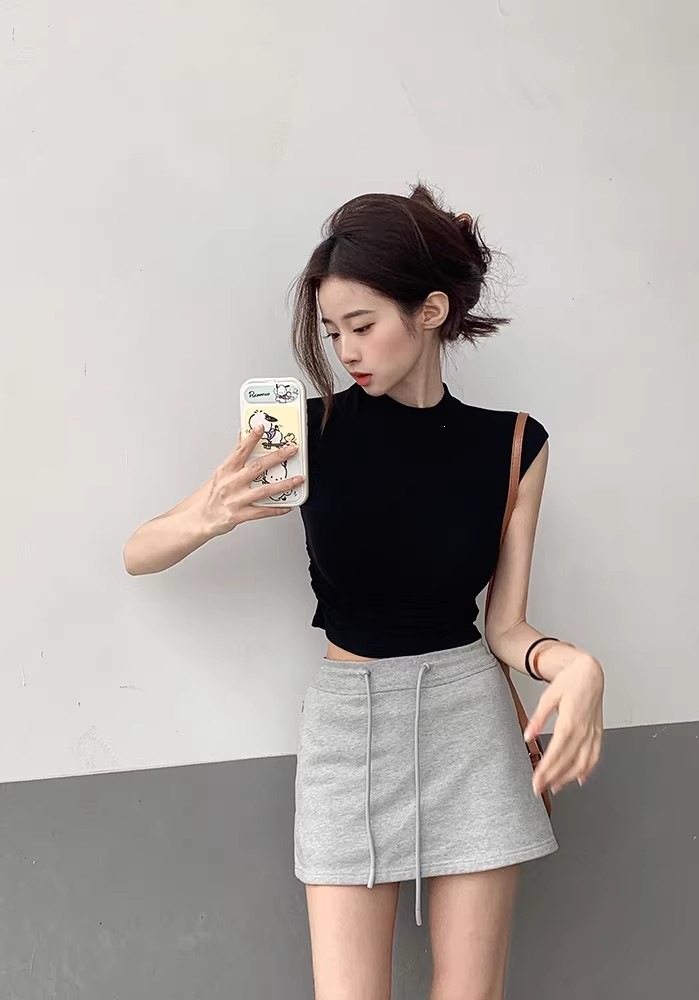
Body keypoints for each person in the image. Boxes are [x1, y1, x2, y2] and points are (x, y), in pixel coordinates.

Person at [123, 184, 604, 1000]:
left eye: (362, 324)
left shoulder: (514, 444)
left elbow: (505, 627)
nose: (345, 349)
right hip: (349, 729)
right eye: (331, 331)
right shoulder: (306, 435)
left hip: (470, 728)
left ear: (431, 311)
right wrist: (209, 514)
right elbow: (138, 554)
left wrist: (572, 664)